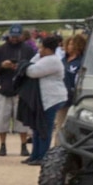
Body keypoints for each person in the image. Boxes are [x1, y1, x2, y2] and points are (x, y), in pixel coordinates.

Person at [26, 33, 68, 163]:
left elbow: (32, 71)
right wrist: (38, 55)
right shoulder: (45, 58)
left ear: (48, 49)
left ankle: (43, 156)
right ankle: (35, 155)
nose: (39, 50)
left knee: (44, 128)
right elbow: (30, 63)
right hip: (44, 99)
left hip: (52, 99)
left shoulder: (52, 60)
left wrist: (30, 64)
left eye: (42, 48)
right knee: (37, 128)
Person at [0, 28, 29, 157]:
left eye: (17, 36)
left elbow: (34, 65)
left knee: (22, 120)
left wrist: (21, 67)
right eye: (12, 36)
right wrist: (2, 66)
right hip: (3, 87)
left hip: (21, 89)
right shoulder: (0, 50)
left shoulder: (28, 50)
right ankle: (2, 145)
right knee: (2, 119)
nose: (14, 38)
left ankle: (23, 145)